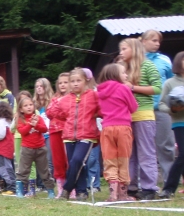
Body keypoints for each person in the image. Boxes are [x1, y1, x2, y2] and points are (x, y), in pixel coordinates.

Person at [47, 68, 101, 201]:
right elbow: (52, 112)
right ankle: (81, 192)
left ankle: (67, 188)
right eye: (72, 81)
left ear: (86, 81)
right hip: (69, 136)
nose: (75, 84)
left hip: (87, 134)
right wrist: (67, 116)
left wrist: (92, 115)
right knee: (75, 164)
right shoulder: (65, 99)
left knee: (77, 160)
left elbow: (102, 110)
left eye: (78, 80)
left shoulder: (93, 95)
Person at [119, 37, 162, 200]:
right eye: (121, 49)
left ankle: (149, 188)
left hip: (144, 115)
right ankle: (131, 187)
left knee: (146, 153)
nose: (121, 52)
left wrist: (133, 87)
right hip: (125, 117)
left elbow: (157, 88)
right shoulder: (122, 68)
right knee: (129, 154)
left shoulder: (148, 65)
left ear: (134, 49)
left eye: (124, 49)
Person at [96, 63, 138, 202]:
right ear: (115, 75)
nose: (126, 75)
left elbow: (100, 110)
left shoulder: (100, 91)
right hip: (123, 127)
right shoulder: (124, 88)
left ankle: (113, 194)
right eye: (123, 72)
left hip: (107, 128)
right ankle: (123, 194)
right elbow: (133, 107)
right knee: (123, 160)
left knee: (110, 160)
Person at [140, 30, 175, 181]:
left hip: (161, 108)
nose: (157, 44)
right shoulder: (135, 60)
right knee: (143, 147)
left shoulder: (165, 60)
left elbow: (172, 82)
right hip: (141, 109)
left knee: (166, 145)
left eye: (158, 41)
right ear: (143, 41)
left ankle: (169, 180)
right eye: (153, 40)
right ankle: (144, 182)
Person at [15, 95, 55, 198]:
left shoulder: (38, 118)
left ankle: (50, 191)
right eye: (25, 106)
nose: (29, 107)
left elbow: (45, 129)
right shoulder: (20, 120)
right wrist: (30, 125)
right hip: (27, 149)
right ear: (21, 109)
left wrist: (36, 124)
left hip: (40, 148)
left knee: (45, 170)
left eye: (30, 105)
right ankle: (20, 191)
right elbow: (22, 131)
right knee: (23, 170)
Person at [157, 51, 184, 198]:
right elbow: (161, 104)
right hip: (179, 122)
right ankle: (169, 188)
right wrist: (172, 110)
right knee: (183, 154)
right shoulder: (170, 83)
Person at [47, 73, 70, 197]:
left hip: (68, 131)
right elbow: (49, 112)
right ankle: (60, 188)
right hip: (54, 131)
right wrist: (59, 109)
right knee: (57, 160)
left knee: (69, 159)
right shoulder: (55, 98)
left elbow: (67, 113)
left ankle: (71, 187)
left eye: (65, 82)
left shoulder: (73, 98)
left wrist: (58, 110)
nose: (62, 85)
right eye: (60, 83)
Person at [34, 78, 54, 189]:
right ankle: (40, 184)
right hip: (38, 135)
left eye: (41, 86)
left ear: (46, 87)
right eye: (37, 86)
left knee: (48, 159)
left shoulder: (52, 101)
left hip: (50, 134)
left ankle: (48, 184)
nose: (38, 89)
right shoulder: (34, 104)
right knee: (38, 159)